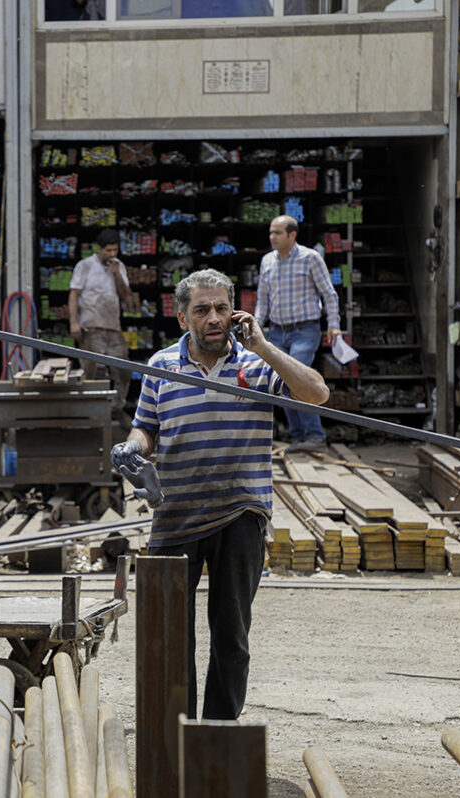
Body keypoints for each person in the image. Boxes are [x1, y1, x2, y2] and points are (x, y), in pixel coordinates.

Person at [112, 269, 328, 720]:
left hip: (240, 514)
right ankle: (176, 734)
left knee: (231, 633)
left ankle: (218, 734)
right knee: (170, 635)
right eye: (202, 309)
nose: (214, 318)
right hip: (176, 514)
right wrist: (133, 448)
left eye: (222, 308)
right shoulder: (161, 365)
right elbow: (146, 427)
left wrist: (264, 348)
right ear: (182, 317)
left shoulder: (254, 365)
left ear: (235, 312)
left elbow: (317, 393)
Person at [253, 215, 341, 453]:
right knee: (284, 382)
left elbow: (329, 294)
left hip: (305, 331)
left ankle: (315, 436)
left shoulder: (310, 258)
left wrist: (333, 323)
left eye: (278, 233)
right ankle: (300, 438)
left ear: (292, 235)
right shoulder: (267, 261)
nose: (272, 237)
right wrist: (256, 326)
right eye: (271, 232)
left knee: (298, 379)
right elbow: (263, 299)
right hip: (278, 333)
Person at [69, 228, 133, 416]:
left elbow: (126, 297)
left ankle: (117, 408)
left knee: (123, 370)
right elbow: (74, 294)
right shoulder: (85, 265)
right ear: (100, 249)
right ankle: (90, 411)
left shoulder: (119, 266)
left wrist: (116, 275)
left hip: (113, 327)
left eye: (115, 250)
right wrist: (74, 322)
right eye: (108, 251)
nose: (112, 254)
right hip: (91, 326)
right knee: (91, 372)